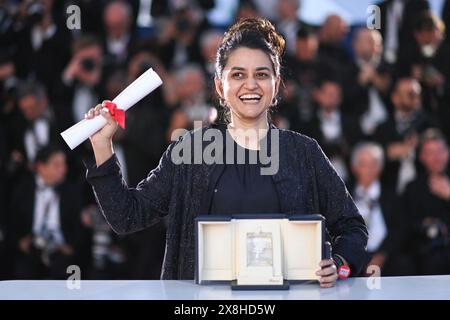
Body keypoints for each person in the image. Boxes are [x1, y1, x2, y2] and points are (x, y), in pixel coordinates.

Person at [84, 17, 368, 288]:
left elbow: (352, 227)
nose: (251, 84)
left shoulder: (304, 152)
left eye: (262, 74)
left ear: (277, 85)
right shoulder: (191, 150)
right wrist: (102, 146)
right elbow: (127, 217)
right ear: (220, 86)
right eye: (238, 75)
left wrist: (339, 263)